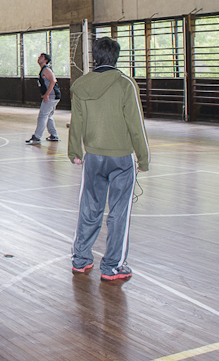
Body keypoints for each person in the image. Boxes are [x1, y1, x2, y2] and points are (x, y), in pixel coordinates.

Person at [68, 37, 150, 282]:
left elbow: (76, 122)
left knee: (89, 208)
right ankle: (112, 266)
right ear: (116, 56)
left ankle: (81, 260)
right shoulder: (125, 84)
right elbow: (136, 125)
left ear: (95, 56)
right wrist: (143, 159)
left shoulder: (81, 85)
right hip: (121, 159)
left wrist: (75, 152)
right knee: (119, 213)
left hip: (93, 157)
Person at [26, 52, 61, 144]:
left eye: (41, 57)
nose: (39, 58)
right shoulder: (44, 70)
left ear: (45, 60)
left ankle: (37, 137)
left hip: (52, 96)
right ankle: (54, 135)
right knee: (48, 116)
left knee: (42, 116)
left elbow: (53, 81)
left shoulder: (46, 69)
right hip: (53, 96)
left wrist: (47, 94)